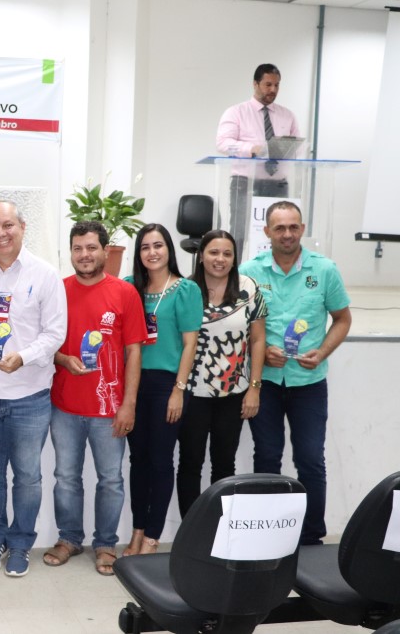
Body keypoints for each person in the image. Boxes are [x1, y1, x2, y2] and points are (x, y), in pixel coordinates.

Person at [0, 200, 66, 578]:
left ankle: (21, 543)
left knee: (27, 476)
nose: (1, 233)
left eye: (8, 225)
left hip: (29, 395)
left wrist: (22, 357)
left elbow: (55, 333)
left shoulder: (46, 275)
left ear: (22, 227)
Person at [239, 201, 351, 545]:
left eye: (293, 227)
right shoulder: (249, 271)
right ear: (267, 232)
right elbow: (237, 326)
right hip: (266, 383)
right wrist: (259, 352)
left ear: (302, 229)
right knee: (267, 457)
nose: (287, 234)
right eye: (280, 228)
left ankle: (312, 536)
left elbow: (342, 319)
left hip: (309, 383)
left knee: (310, 460)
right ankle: (267, 535)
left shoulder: (325, 270)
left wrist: (323, 352)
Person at [45, 221, 145, 577]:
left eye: (91, 247)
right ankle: (69, 538)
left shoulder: (125, 293)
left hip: (109, 409)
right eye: (78, 248)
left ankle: (105, 544)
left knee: (111, 479)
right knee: (66, 477)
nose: (84, 255)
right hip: (64, 406)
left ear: (105, 250)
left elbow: (134, 352)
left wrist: (128, 404)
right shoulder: (58, 291)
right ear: (70, 252)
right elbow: (45, 344)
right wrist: (62, 359)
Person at [122, 224, 201, 556]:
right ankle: (137, 530)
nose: (152, 252)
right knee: (138, 460)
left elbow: (190, 344)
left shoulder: (186, 289)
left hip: (167, 385)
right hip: (134, 383)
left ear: (169, 249)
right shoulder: (130, 287)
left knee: (160, 460)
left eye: (158, 245)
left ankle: (152, 537)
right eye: (145, 247)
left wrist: (178, 390)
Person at [177, 230, 267, 515]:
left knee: (225, 465)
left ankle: (220, 528)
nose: (220, 259)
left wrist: (254, 388)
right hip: (193, 394)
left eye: (227, 254)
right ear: (201, 256)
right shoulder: (186, 289)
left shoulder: (249, 288)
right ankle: (191, 530)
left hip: (233, 393)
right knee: (190, 464)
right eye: (214, 252)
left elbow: (258, 340)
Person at [216, 63, 301, 244]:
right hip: (245, 182)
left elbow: (298, 149)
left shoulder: (288, 115)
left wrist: (288, 148)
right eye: (268, 84)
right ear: (255, 84)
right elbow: (223, 143)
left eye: (277, 85)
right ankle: (238, 264)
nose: (273, 90)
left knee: (279, 233)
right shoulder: (236, 112)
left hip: (278, 184)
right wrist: (250, 149)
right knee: (239, 233)